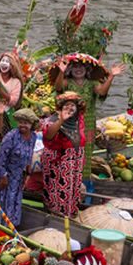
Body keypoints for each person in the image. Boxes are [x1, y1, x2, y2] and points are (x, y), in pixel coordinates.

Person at [50, 54, 125, 190]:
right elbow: (58, 88)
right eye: (75, 67)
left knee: (86, 151)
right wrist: (61, 71)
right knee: (68, 149)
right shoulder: (68, 82)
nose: (78, 69)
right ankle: (66, 181)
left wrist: (111, 76)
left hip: (88, 121)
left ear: (87, 69)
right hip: (69, 122)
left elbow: (102, 92)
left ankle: (83, 183)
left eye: (81, 67)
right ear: (70, 70)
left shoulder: (92, 84)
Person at [0, 108, 38, 228]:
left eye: (26, 123)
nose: (23, 125)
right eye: (21, 122)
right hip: (3, 171)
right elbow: (0, 157)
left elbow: (29, 154)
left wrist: (28, 171)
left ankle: (10, 227)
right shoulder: (11, 136)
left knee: (13, 200)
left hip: (17, 174)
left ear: (32, 124)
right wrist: (3, 176)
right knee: (1, 199)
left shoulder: (33, 137)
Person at [41, 91, 86, 217]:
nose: (69, 108)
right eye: (66, 106)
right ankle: (57, 217)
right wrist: (61, 120)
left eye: (72, 105)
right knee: (58, 191)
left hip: (75, 162)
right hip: (59, 162)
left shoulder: (79, 119)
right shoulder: (52, 120)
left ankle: (70, 214)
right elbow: (49, 135)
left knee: (72, 190)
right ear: (60, 108)